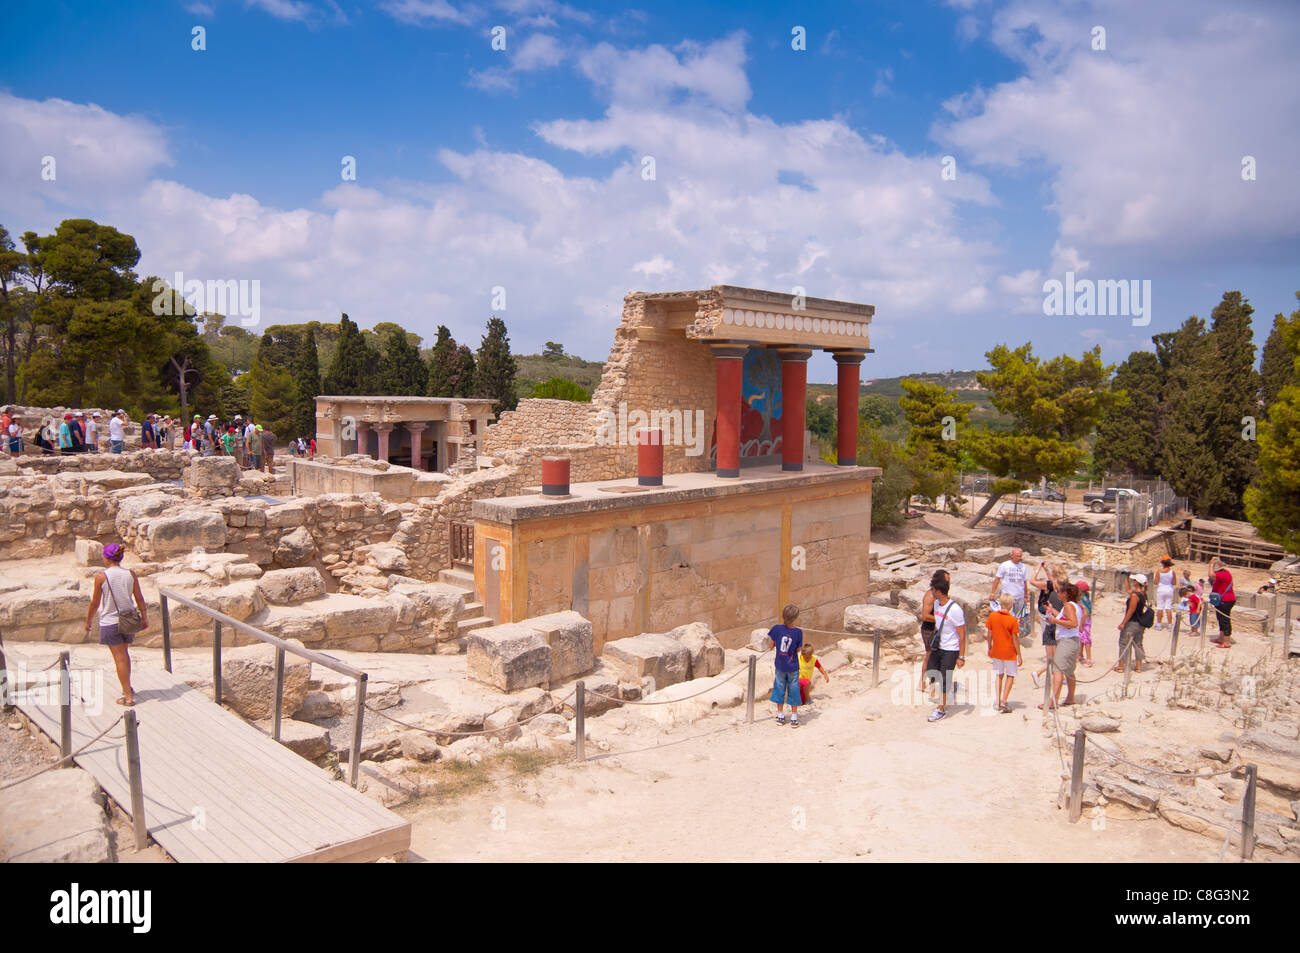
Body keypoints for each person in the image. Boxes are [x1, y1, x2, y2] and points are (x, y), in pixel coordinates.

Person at [83, 542, 149, 707]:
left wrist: (88, 620)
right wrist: (145, 617)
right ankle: (128, 686)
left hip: (110, 622)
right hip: (128, 620)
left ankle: (127, 697)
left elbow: (95, 603)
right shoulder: (130, 574)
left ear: (106, 558)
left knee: (119, 659)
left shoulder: (102, 577)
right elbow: (139, 598)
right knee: (124, 656)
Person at [925, 576, 966, 722]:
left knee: (944, 679)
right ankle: (945, 691)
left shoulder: (955, 610)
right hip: (939, 646)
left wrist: (961, 656)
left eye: (933, 590)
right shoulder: (936, 604)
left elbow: (962, 635)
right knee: (931, 672)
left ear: (939, 591)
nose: (931, 592)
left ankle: (940, 709)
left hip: (951, 649)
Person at [1042, 583, 1082, 709]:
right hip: (1073, 641)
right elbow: (1067, 618)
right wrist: (1052, 611)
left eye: (1059, 591)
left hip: (1067, 641)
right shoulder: (1075, 606)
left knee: (1057, 671)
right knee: (1069, 671)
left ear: (1066, 594)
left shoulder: (1068, 606)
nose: (1057, 593)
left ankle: (1053, 701)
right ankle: (1070, 698)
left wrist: (1054, 621)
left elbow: (1072, 623)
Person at [1029, 561, 1066, 688]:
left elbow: (1034, 580)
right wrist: (1041, 570)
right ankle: (1040, 673)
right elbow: (1032, 581)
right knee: (1054, 654)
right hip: (1051, 618)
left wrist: (1039, 569)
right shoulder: (1059, 586)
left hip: (1051, 617)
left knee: (1053, 653)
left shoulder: (1052, 585)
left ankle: (1054, 674)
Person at [767, 604, 804, 726]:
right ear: (795, 618)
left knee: (779, 688)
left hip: (780, 665)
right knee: (793, 689)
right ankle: (794, 717)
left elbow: (771, 645)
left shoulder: (776, 628)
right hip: (792, 666)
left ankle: (780, 715)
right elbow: (798, 649)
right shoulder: (798, 632)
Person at [986, 599, 1021, 713]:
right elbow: (1015, 639)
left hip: (997, 650)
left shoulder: (992, 616)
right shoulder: (1013, 620)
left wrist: (989, 647)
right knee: (1010, 675)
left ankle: (997, 699)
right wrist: (1019, 654)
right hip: (1009, 652)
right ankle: (1004, 700)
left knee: (999, 675)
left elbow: (989, 634)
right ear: (1010, 605)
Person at [918, 570, 950, 695]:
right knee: (930, 657)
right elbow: (925, 616)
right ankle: (925, 683)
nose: (949, 582)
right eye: (947, 580)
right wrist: (940, 618)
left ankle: (929, 683)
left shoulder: (940, 594)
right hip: (929, 629)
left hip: (938, 629)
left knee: (935, 657)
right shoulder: (930, 596)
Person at [1114, 573, 1149, 673]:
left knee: (1124, 643)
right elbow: (1128, 590)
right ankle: (1138, 667)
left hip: (1132, 623)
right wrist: (1126, 578)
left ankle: (1121, 666)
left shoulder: (1135, 596)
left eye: (1134, 581)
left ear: (1137, 583)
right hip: (1140, 623)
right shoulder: (1143, 594)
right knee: (1138, 644)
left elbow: (1131, 610)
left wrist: (1123, 623)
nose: (1133, 582)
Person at [990, 548, 1030, 626]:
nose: (1019, 558)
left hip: (1020, 596)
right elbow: (997, 579)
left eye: (1020, 556)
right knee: (1007, 618)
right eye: (1017, 556)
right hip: (1008, 598)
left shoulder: (1023, 567)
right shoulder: (1005, 565)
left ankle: (1014, 634)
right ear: (1012, 556)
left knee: (1018, 618)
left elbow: (1025, 582)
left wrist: (1026, 596)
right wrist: (992, 593)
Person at [1208, 558, 1236, 647]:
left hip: (1226, 600)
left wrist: (1211, 565)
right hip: (1222, 599)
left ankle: (1226, 642)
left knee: (1225, 620)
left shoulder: (1223, 574)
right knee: (1220, 619)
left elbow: (1211, 575)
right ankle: (1221, 638)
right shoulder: (1223, 573)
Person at [1153, 557, 1176, 630]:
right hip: (1169, 590)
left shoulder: (1159, 571)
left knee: (1160, 607)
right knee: (1168, 607)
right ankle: (1170, 625)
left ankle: (1159, 624)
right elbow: (1174, 582)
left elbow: (1155, 582)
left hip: (1161, 590)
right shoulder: (1172, 572)